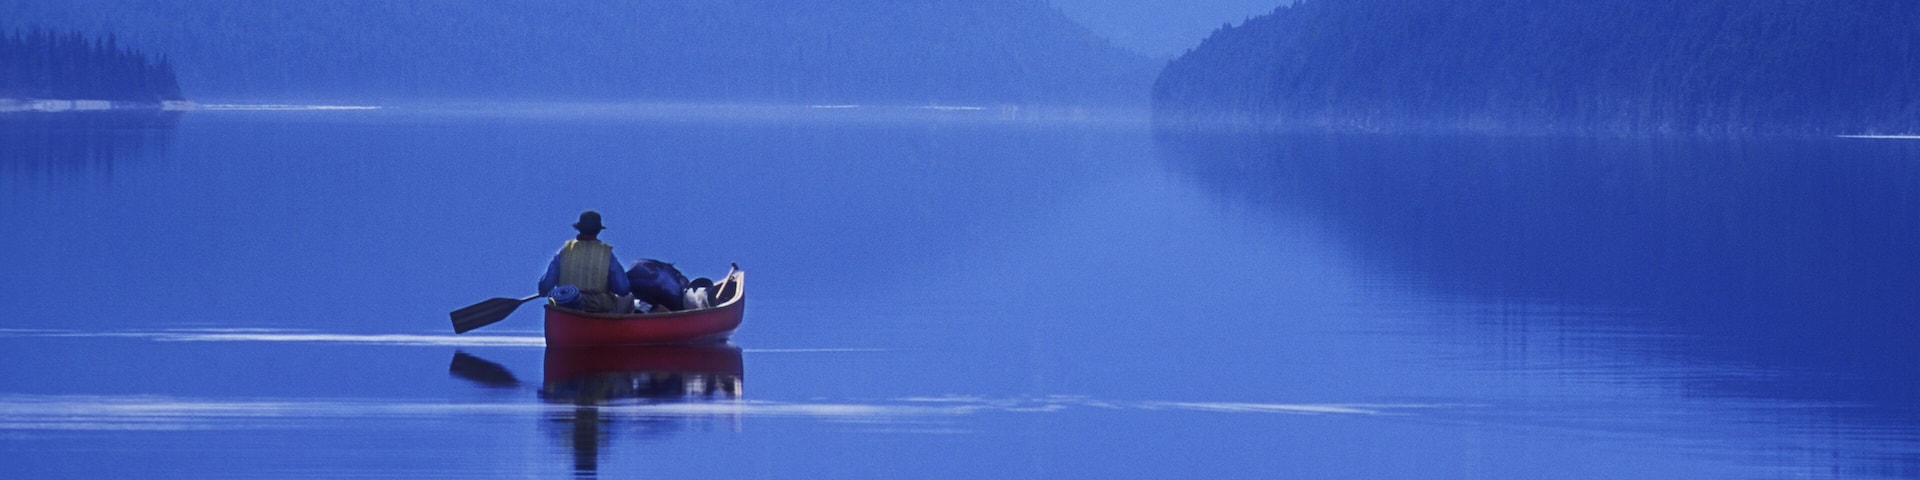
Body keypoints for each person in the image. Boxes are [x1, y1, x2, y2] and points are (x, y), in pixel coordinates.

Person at [538, 210, 633, 313]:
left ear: (579, 229)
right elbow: (623, 289)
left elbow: (544, 287)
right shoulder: (606, 254)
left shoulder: (565, 251)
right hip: (598, 310)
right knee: (629, 297)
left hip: (566, 310)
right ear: (598, 230)